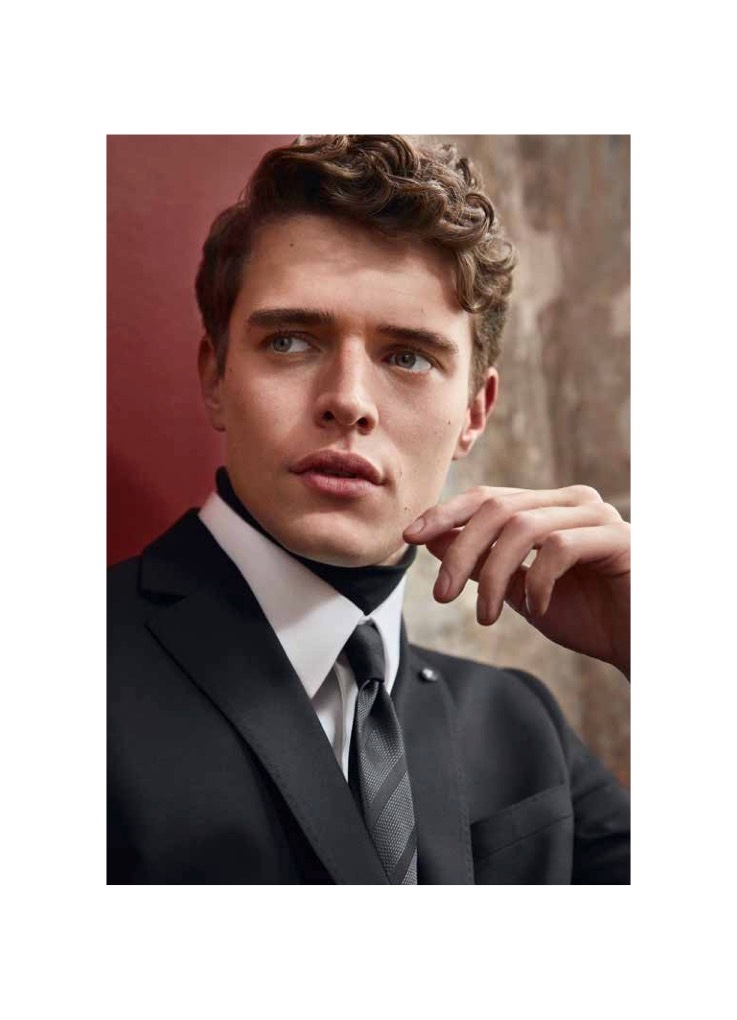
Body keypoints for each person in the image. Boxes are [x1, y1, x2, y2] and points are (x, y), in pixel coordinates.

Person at [107, 134, 630, 885]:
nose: (348, 400)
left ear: (474, 413)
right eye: (290, 341)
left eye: (407, 356)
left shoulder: (523, 724)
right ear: (216, 379)